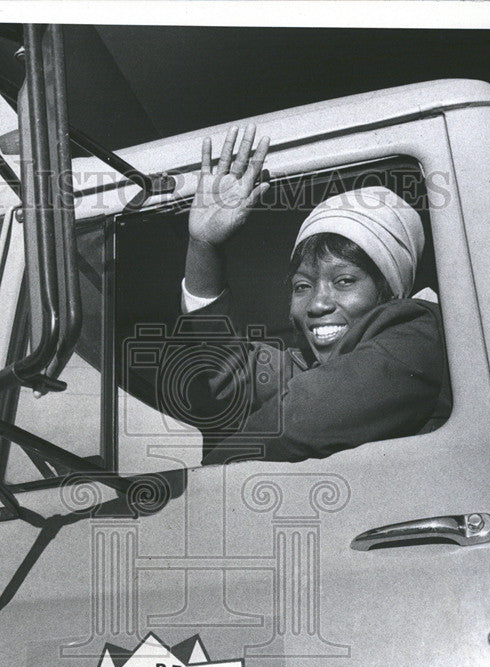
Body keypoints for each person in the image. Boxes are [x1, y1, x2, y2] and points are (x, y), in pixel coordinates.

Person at [176, 123, 452, 464]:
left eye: (345, 281)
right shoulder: (321, 362)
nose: (317, 304)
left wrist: (210, 479)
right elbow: (234, 373)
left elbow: (297, 422)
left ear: (391, 292)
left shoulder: (420, 333)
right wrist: (204, 246)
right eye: (302, 286)